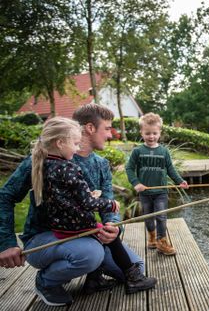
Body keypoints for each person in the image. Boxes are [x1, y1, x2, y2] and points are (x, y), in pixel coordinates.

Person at [0, 104, 145, 307]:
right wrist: (6, 243)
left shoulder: (101, 164)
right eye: (107, 128)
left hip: (84, 234)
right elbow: (5, 196)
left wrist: (113, 226)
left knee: (137, 267)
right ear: (90, 128)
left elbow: (108, 203)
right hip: (44, 239)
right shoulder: (42, 159)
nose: (111, 135)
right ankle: (46, 281)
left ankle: (94, 272)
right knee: (91, 254)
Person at [30, 116, 156, 302]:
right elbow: (87, 203)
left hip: (63, 223)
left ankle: (94, 279)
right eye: (107, 128)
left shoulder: (46, 164)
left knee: (125, 252)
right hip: (66, 227)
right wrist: (110, 204)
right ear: (60, 143)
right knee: (104, 242)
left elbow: (64, 195)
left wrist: (113, 222)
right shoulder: (68, 167)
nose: (77, 147)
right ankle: (133, 279)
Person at [126, 113, 188, 255]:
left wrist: (180, 181)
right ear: (141, 132)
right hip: (145, 193)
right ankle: (152, 237)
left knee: (161, 216)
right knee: (148, 218)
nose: (151, 136)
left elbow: (171, 169)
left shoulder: (164, 151)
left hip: (161, 192)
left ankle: (161, 241)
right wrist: (136, 183)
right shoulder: (138, 151)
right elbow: (129, 168)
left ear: (159, 132)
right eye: (147, 133)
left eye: (154, 133)